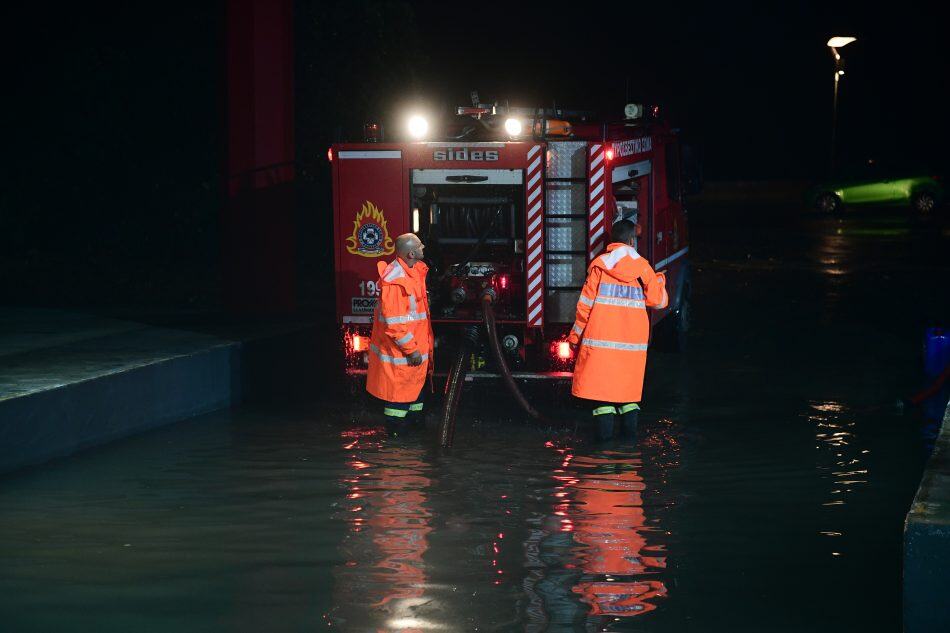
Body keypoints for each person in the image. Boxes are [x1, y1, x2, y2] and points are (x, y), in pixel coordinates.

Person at [566, 220, 668, 440]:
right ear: (631, 241)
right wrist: (659, 279)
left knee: (602, 397)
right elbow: (658, 301)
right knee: (628, 396)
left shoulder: (599, 266)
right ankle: (629, 450)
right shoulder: (643, 267)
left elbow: (584, 307)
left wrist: (574, 337)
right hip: (631, 347)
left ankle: (603, 452)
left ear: (612, 241)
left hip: (601, 345)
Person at [366, 233, 433, 431]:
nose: (423, 247)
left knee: (414, 400)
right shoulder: (396, 282)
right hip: (403, 356)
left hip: (413, 356)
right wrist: (412, 350)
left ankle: (412, 438)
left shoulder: (414, 271)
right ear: (411, 254)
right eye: (420, 246)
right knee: (398, 405)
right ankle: (395, 442)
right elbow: (394, 325)